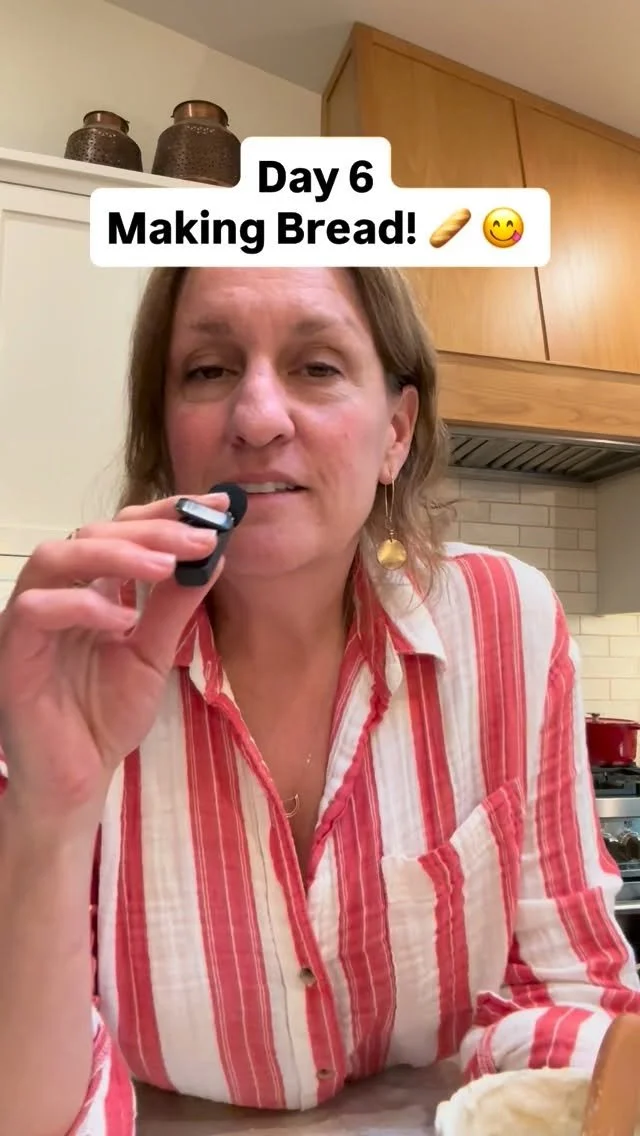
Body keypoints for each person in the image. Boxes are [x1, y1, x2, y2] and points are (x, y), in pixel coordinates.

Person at [0, 265, 638, 1136]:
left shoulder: (506, 626)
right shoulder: (70, 658)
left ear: (395, 434)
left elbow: (570, 993)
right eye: (209, 370)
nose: (258, 418)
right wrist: (51, 817)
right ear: (166, 432)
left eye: (317, 366)